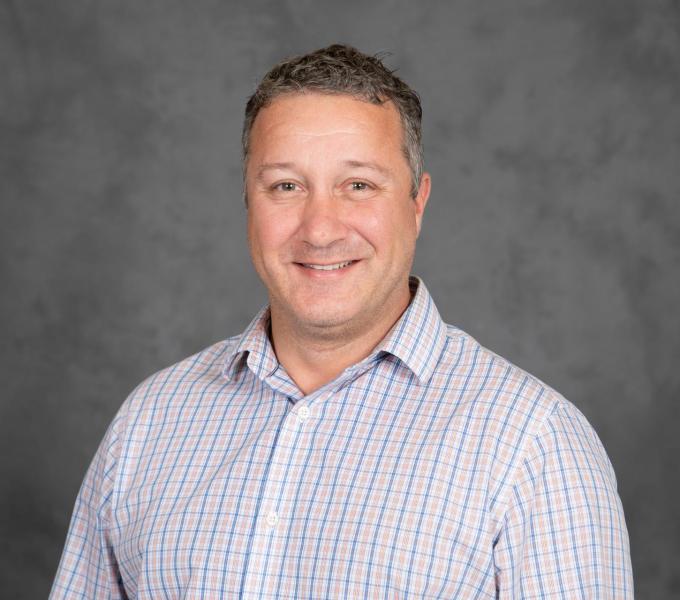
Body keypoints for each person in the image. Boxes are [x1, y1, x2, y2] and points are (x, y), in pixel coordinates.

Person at [50, 44, 633, 599]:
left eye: (359, 186)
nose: (321, 228)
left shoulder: (535, 447)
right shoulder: (149, 424)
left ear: (417, 203)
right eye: (286, 186)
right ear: (248, 205)